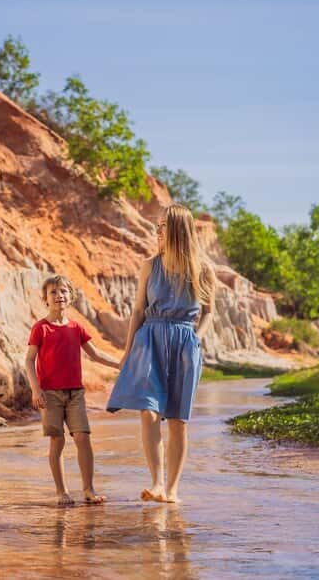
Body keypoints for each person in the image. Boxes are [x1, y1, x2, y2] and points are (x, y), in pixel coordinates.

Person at [106, 204, 216, 504]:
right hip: (149, 340)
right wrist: (128, 350)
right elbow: (138, 310)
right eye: (157, 225)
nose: (158, 230)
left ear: (179, 228)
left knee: (178, 420)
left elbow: (209, 311)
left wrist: (196, 337)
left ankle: (173, 490)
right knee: (148, 411)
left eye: (163, 224)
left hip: (184, 342)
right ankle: (156, 483)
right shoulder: (149, 266)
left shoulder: (203, 268)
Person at [25, 275, 121, 506]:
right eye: (54, 292)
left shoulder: (76, 327)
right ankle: (62, 492)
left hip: (75, 393)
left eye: (64, 292)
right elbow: (29, 361)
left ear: (71, 297)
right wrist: (35, 389)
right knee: (57, 441)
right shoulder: (41, 328)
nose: (59, 296)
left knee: (83, 437)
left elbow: (95, 354)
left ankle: (88, 490)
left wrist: (120, 364)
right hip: (49, 394)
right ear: (45, 299)